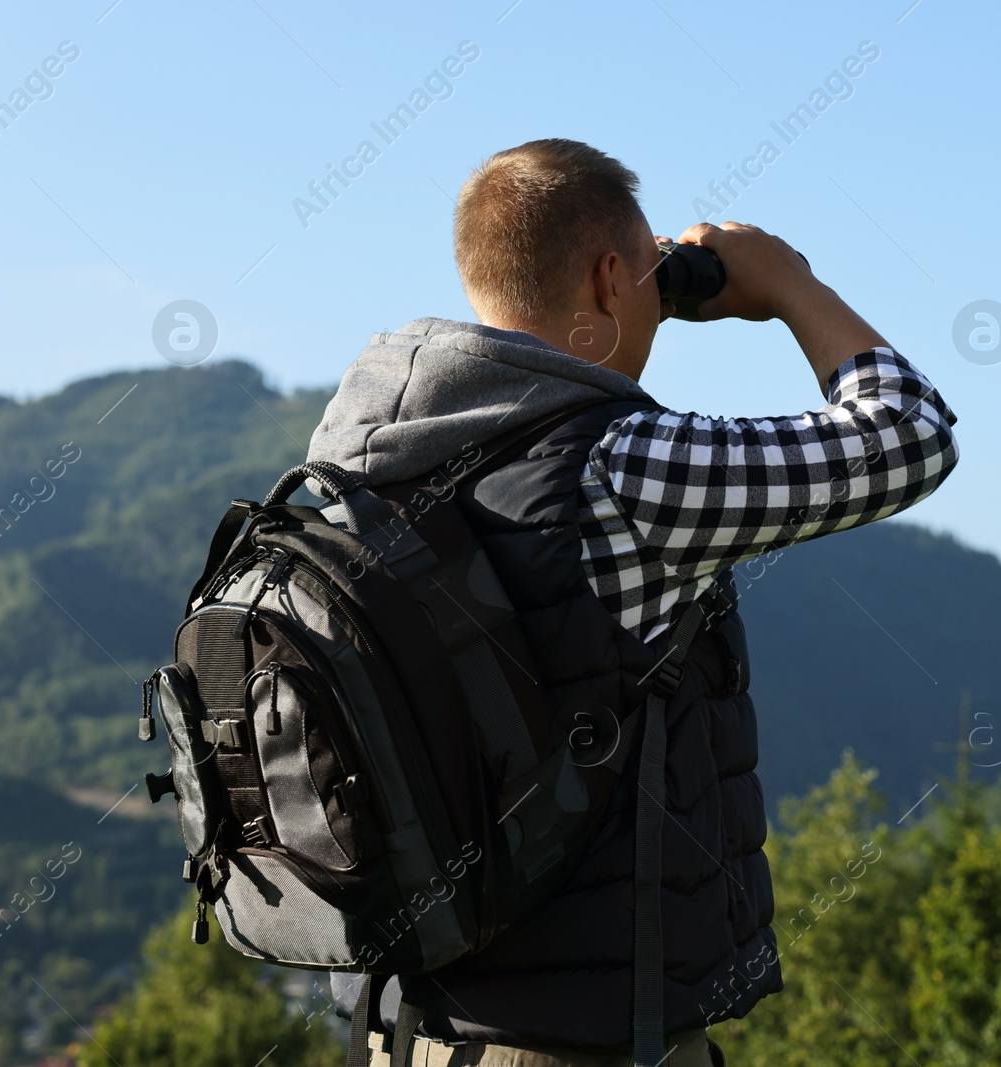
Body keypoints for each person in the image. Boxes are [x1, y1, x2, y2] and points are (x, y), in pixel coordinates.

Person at [310, 138, 959, 1066]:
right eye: (650, 274)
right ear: (612, 276)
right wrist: (787, 286)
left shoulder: (356, 461)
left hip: (406, 1029)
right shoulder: (621, 469)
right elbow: (909, 435)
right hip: (581, 1044)